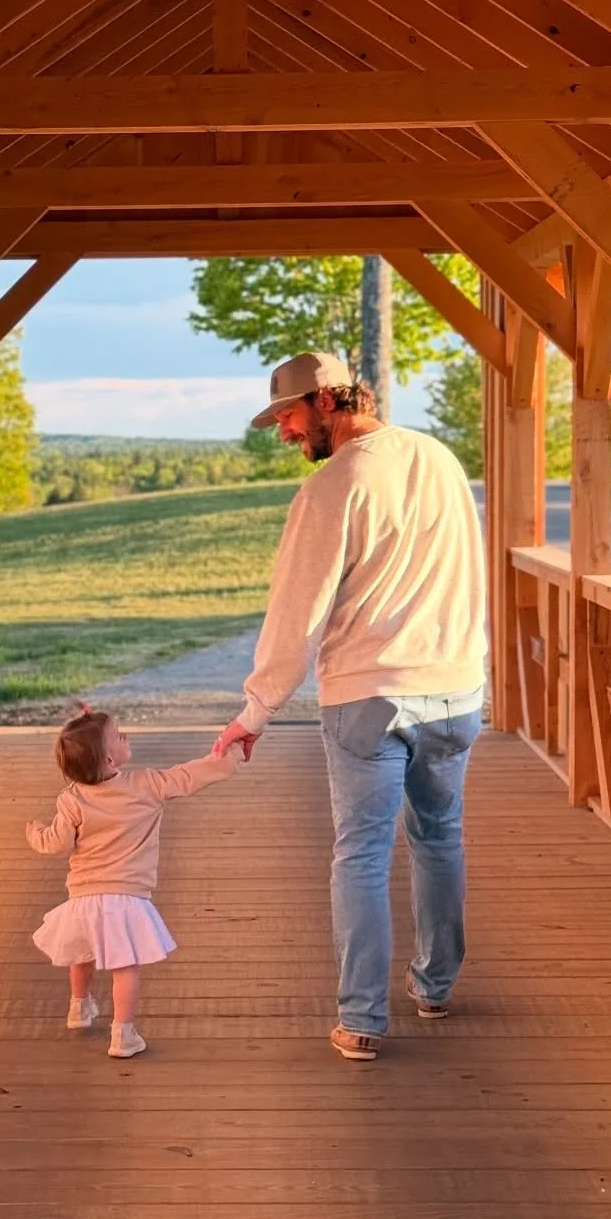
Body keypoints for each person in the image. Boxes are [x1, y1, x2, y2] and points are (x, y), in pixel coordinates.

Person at [214, 350, 487, 1063]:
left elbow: (296, 612)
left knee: (361, 854)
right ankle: (434, 987)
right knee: (440, 836)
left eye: (288, 415)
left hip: (369, 694)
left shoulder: (334, 487)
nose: (283, 433)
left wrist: (255, 711)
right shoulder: (440, 460)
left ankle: (362, 1019)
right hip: (455, 688)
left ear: (328, 402)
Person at [27, 708, 243, 1058]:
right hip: (126, 899)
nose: (125, 736)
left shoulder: (72, 799)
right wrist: (231, 755)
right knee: (124, 968)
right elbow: (190, 776)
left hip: (83, 898)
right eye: (118, 735)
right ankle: (122, 1035)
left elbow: (57, 843)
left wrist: (34, 832)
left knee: (80, 954)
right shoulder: (147, 784)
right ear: (111, 757)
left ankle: (79, 1008)